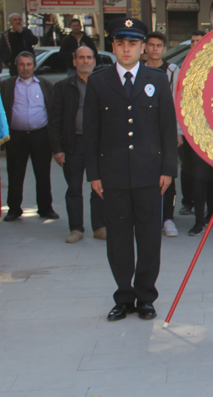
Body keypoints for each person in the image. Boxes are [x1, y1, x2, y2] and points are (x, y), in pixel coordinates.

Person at [83, 18, 178, 321]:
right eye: (121, 43)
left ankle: (146, 296)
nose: (127, 49)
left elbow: (167, 128)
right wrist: (94, 174)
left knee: (150, 238)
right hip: (112, 176)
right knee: (119, 239)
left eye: (133, 44)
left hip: (151, 174)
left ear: (142, 48)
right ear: (112, 47)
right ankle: (124, 297)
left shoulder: (157, 79)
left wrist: (168, 169)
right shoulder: (99, 81)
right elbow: (91, 133)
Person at [48, 45, 105, 243]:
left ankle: (99, 226)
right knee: (73, 188)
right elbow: (54, 120)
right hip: (73, 144)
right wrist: (57, 148)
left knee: (99, 187)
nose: (86, 61)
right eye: (81, 57)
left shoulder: (102, 84)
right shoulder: (63, 87)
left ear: (95, 61)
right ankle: (76, 228)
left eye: (89, 57)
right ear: (74, 61)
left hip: (98, 144)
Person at [0, 52, 58, 222]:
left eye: (28, 64)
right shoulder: (7, 86)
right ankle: (14, 209)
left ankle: (45, 208)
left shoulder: (45, 85)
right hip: (16, 136)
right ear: (16, 66)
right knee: (15, 174)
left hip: (40, 135)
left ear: (34, 66)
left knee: (43, 174)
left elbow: (53, 112)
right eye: (21, 65)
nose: (25, 68)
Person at [145, 31, 181, 237]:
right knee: (146, 176)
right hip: (145, 133)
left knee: (169, 175)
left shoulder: (172, 70)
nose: (155, 49)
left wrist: (177, 131)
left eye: (159, 45)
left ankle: (168, 218)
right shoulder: (138, 70)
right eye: (151, 45)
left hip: (166, 131)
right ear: (145, 48)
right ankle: (149, 218)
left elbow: (176, 102)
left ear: (164, 49)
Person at [179, 31, 206, 216]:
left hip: (207, 129)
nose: (195, 44)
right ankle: (187, 202)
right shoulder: (181, 68)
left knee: (205, 171)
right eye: (193, 41)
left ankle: (209, 208)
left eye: (199, 41)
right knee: (187, 167)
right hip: (186, 125)